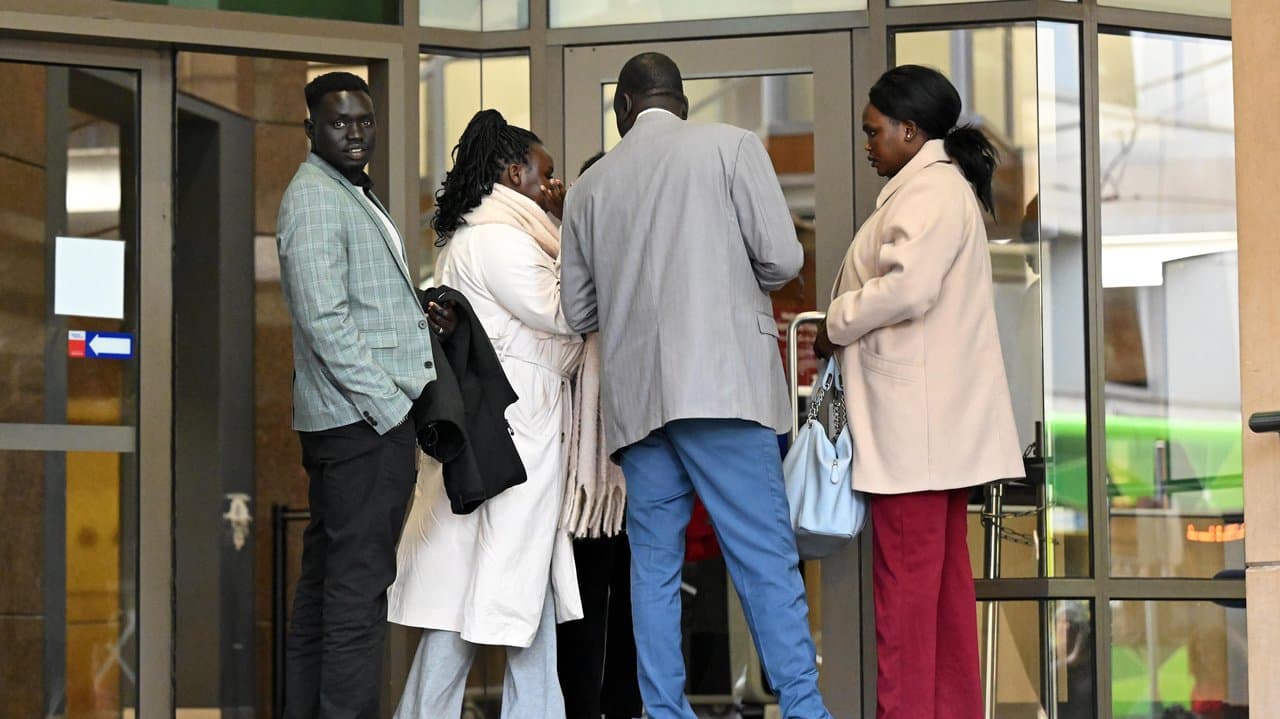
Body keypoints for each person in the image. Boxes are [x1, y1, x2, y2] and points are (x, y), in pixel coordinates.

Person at [560, 52, 832, 719]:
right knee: (764, 559)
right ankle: (803, 708)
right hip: (725, 390)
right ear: (679, 100)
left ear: (624, 108)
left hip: (640, 404)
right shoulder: (733, 146)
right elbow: (784, 258)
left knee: (651, 568)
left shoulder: (590, 189)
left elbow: (578, 311)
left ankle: (664, 711)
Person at [813, 64, 1024, 719]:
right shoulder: (934, 188)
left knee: (904, 600)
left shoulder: (929, 193)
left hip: (915, 437)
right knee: (941, 600)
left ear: (910, 131)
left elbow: (907, 287)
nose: (868, 144)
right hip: (930, 434)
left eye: (875, 132)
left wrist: (834, 324)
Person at [388, 109, 583, 719]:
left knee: (501, 595)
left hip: (509, 426)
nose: (552, 185)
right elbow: (567, 313)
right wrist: (582, 227)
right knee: (502, 595)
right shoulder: (499, 240)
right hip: (516, 431)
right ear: (511, 171)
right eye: (545, 173)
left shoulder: (492, 234)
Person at [276, 71, 439, 719]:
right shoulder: (315, 196)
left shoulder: (345, 191)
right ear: (310, 127)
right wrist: (391, 406)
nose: (354, 132)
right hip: (360, 426)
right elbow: (325, 320)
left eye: (364, 121)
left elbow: (361, 304)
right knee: (354, 599)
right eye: (340, 121)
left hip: (353, 425)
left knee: (326, 594)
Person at [555, 151, 644, 719]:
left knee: (640, 600)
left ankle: (629, 706)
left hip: (639, 456)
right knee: (584, 598)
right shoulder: (563, 258)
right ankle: (581, 709)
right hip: (584, 466)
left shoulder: (643, 258)